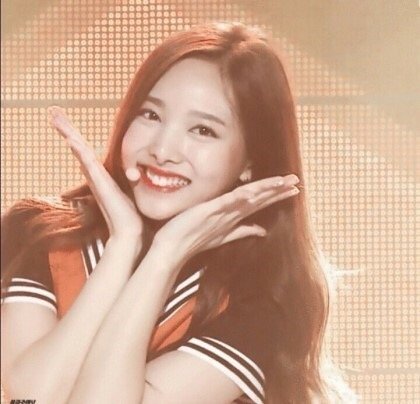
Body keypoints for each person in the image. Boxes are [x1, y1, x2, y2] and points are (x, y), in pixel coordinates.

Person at [1, 22, 358, 404]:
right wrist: (123, 245)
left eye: (203, 130)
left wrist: (164, 257)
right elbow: (32, 399)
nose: (163, 149)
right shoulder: (37, 230)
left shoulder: (264, 290)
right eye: (151, 115)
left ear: (250, 160)